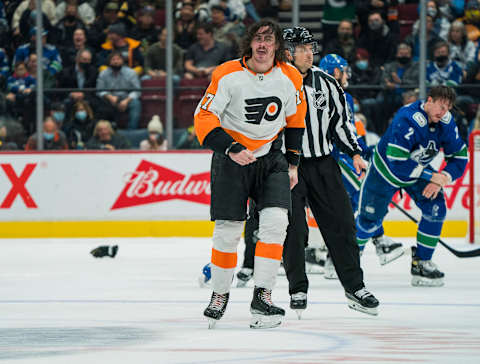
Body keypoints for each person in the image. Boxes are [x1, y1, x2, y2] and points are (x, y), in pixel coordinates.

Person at [194, 19, 306, 329]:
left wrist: (294, 163)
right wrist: (230, 147)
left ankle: (263, 296)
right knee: (228, 231)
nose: (262, 44)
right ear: (249, 43)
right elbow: (203, 118)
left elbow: (296, 121)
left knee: (275, 225)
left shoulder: (291, 75)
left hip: (271, 159)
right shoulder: (227, 73)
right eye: (257, 38)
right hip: (232, 160)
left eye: (269, 39)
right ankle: (219, 294)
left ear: (277, 46)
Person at [279, 31, 379, 317]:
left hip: (323, 164)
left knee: (343, 225)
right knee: (294, 230)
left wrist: (355, 153)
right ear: (287, 52)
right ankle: (297, 287)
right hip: (287, 168)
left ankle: (355, 287)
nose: (308, 53)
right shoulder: (274, 81)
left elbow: (341, 125)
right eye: (301, 48)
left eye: (310, 47)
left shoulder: (328, 82)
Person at [355, 86, 467, 287]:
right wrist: (432, 175)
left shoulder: (446, 122)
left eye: (447, 108)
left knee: (436, 208)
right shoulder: (408, 117)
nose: (442, 113)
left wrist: (444, 176)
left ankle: (422, 262)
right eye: (440, 107)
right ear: (429, 100)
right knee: (369, 220)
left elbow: (460, 157)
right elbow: (397, 160)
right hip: (385, 172)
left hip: (417, 171)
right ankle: (349, 261)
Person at [96, 51, 141, 130]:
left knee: (136, 104)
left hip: (126, 98)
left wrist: (126, 101)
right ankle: (108, 130)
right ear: (109, 62)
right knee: (101, 104)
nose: (116, 62)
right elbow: (99, 90)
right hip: (109, 99)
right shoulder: (103, 74)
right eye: (113, 60)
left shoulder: (131, 73)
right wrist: (109, 96)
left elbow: (137, 91)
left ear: (122, 61)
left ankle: (131, 130)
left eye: (118, 59)